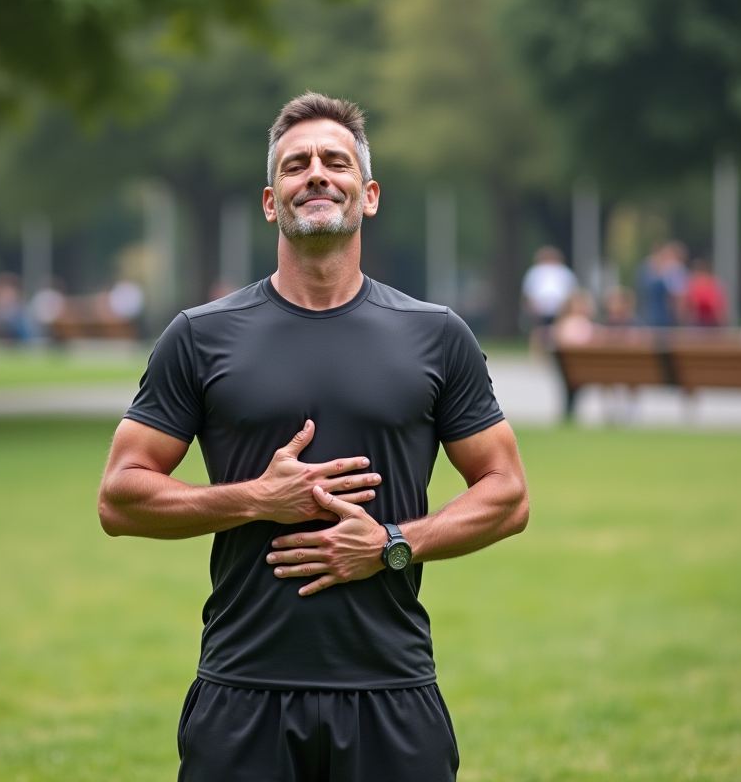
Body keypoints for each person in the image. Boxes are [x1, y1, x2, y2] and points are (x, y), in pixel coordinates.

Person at [98, 93, 530, 782]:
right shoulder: (200, 336)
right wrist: (257, 499)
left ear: (370, 193)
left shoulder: (437, 334)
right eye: (297, 165)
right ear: (272, 202)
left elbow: (507, 495)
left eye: (336, 161)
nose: (318, 174)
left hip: (391, 690)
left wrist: (391, 545)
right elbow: (119, 499)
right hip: (243, 691)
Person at [522, 245, 577, 328]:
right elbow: (529, 291)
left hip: (560, 307)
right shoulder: (535, 271)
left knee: (556, 328)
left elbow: (571, 290)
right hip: (540, 307)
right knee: (540, 328)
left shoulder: (563, 271)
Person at [686, 257, 727, 327]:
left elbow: (692, 304)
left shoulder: (693, 283)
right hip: (710, 319)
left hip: (700, 320)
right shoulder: (714, 282)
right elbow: (718, 305)